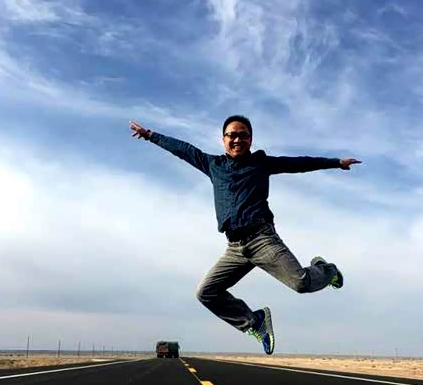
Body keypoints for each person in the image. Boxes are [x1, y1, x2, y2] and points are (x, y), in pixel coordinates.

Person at [129, 115, 361, 355]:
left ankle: (327, 270)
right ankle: (254, 322)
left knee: (301, 283)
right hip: (235, 248)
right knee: (206, 293)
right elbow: (183, 149)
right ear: (223, 139)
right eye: (232, 135)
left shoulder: (261, 163)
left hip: (262, 239)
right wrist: (150, 136)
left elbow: (299, 163)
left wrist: (336, 162)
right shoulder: (213, 164)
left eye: (243, 135)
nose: (237, 140)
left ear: (250, 139)